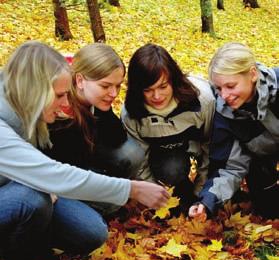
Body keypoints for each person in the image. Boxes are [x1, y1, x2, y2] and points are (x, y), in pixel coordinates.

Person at [0, 41, 170, 260]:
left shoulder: (22, 102)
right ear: (34, 89)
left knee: (90, 231)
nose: (66, 103)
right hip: (19, 192)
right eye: (60, 95)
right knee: (32, 199)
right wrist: (132, 189)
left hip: (26, 187)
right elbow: (51, 174)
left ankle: (32, 237)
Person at [189, 42, 279, 220]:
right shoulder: (225, 114)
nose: (224, 95)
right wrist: (206, 202)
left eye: (230, 86)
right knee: (269, 210)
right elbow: (228, 168)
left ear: (252, 74)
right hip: (263, 159)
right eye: (219, 88)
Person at [121, 43, 215, 211]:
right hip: (164, 155)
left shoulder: (203, 101)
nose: (157, 96)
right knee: (172, 169)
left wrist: (201, 192)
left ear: (174, 80)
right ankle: (179, 188)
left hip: (196, 146)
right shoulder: (131, 113)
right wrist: (154, 196)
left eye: (163, 87)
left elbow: (211, 146)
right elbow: (139, 159)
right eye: (148, 90)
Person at [44, 43, 144, 182]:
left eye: (118, 85)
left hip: (82, 155)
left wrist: (103, 108)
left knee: (132, 153)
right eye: (105, 86)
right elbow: (73, 163)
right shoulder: (59, 110)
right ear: (80, 80)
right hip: (58, 173)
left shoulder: (92, 99)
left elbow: (116, 137)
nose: (114, 93)